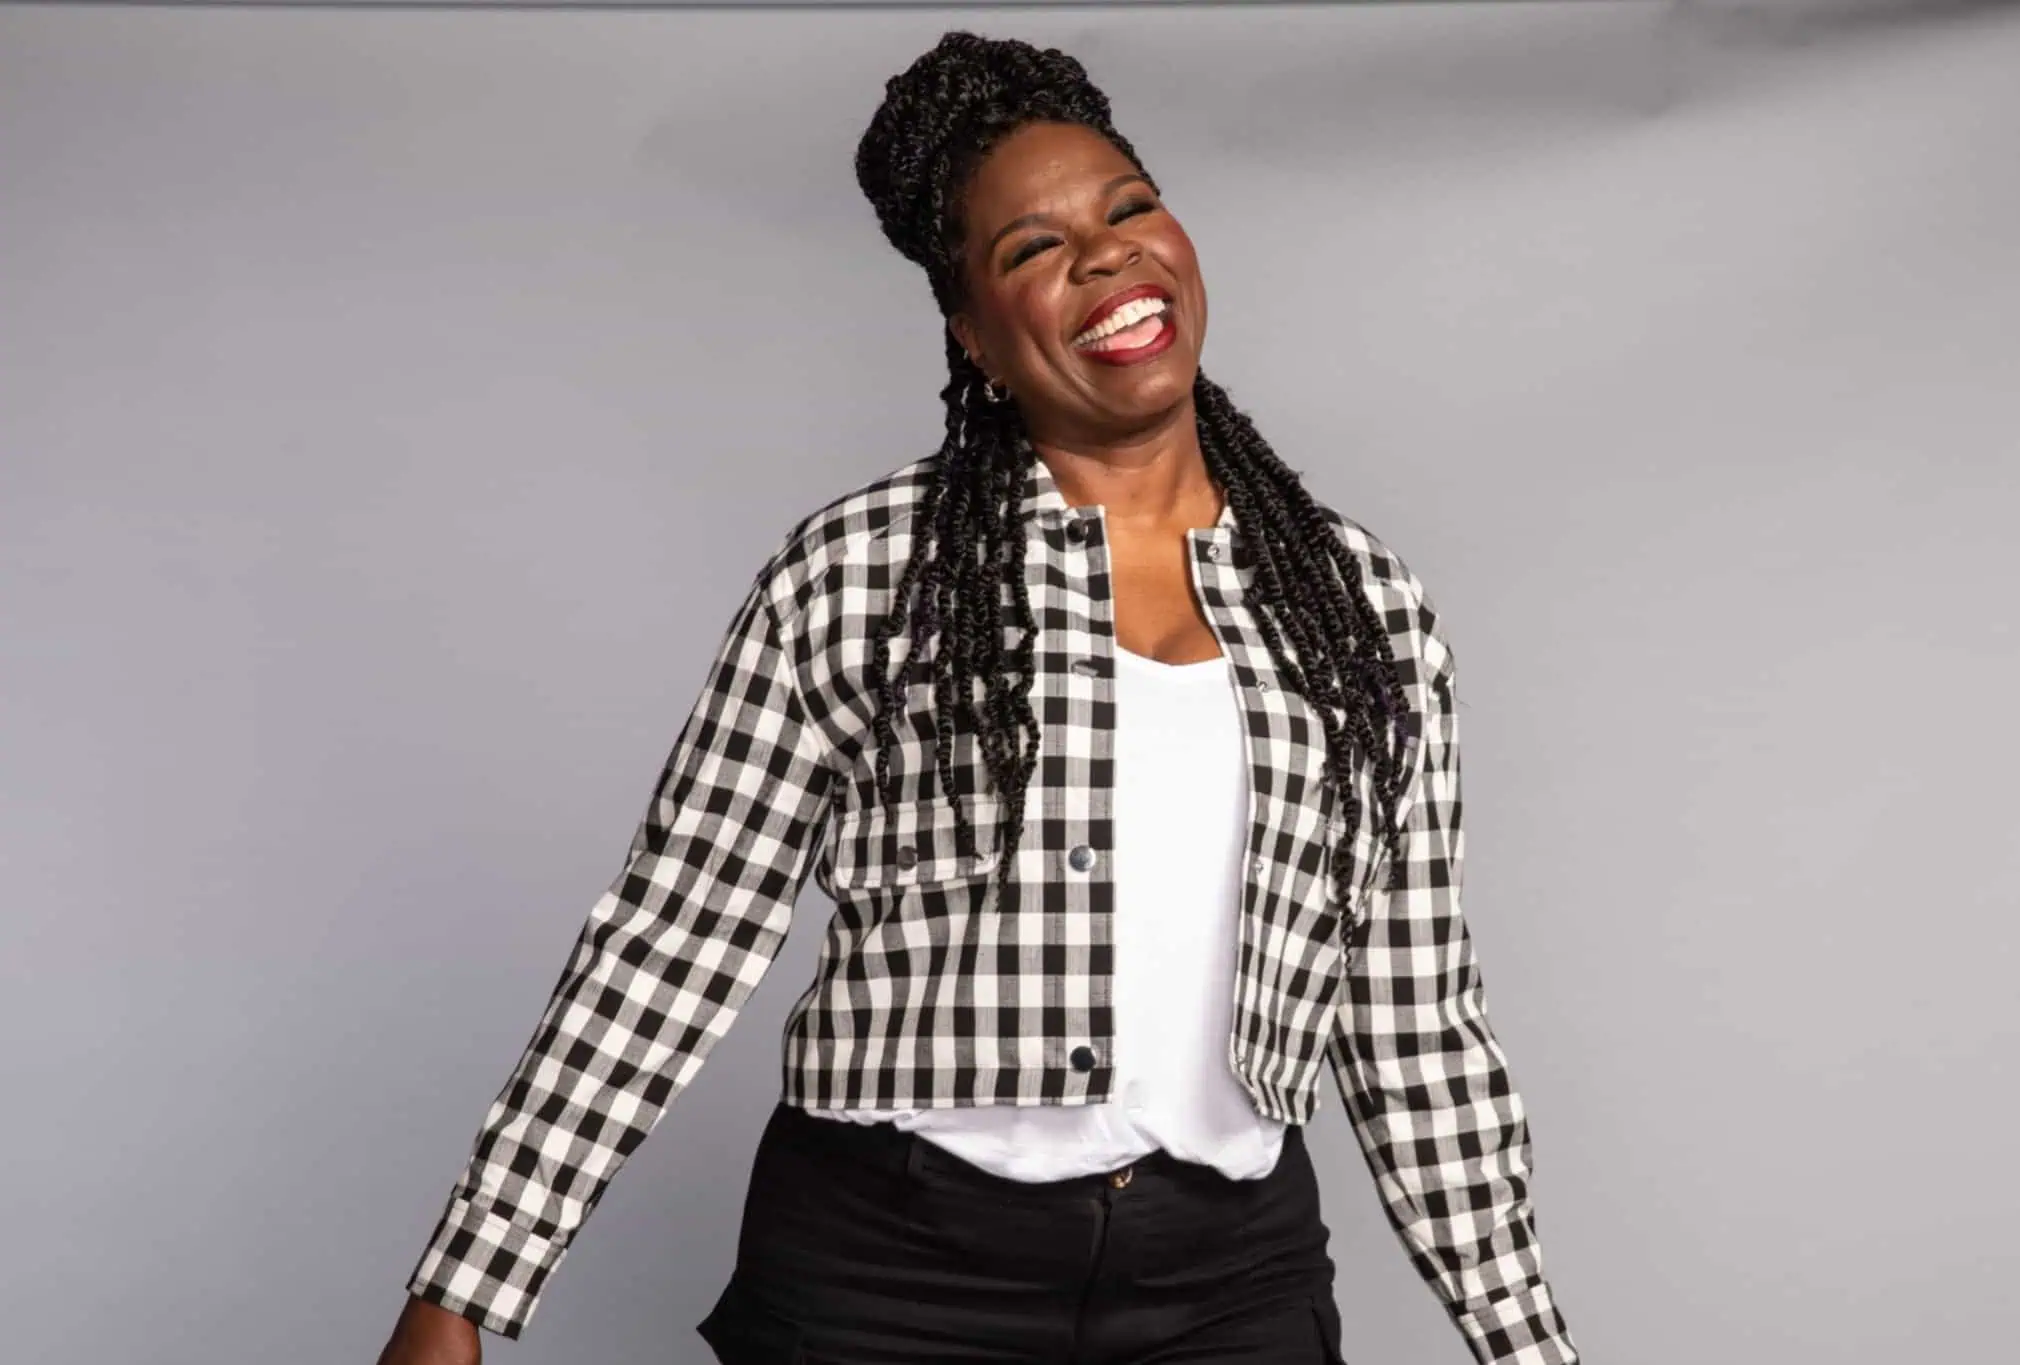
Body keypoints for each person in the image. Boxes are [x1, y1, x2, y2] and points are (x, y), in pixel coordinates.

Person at [374, 30, 1576, 1365]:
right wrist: (463, 1291)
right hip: (891, 1283)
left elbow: (1414, 1022)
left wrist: (1524, 1345)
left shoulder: (1362, 611)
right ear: (976, 339)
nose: (1106, 258)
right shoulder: (864, 574)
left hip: (1229, 1286)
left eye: (1128, 209)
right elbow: (672, 941)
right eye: (1033, 250)